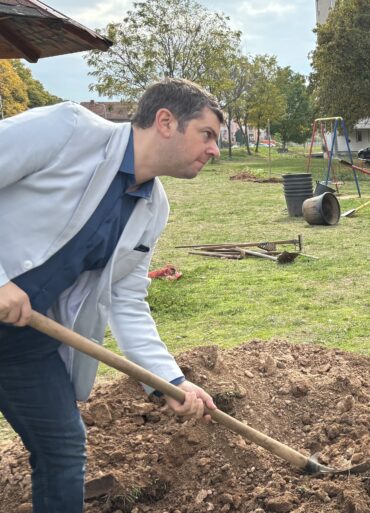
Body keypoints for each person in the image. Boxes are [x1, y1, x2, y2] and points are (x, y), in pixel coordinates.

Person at [0, 78, 222, 512]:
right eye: (207, 134)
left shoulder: (152, 208)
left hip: (25, 340)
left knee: (63, 448)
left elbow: (126, 300)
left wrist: (169, 380)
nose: (214, 149)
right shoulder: (66, 131)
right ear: (165, 121)